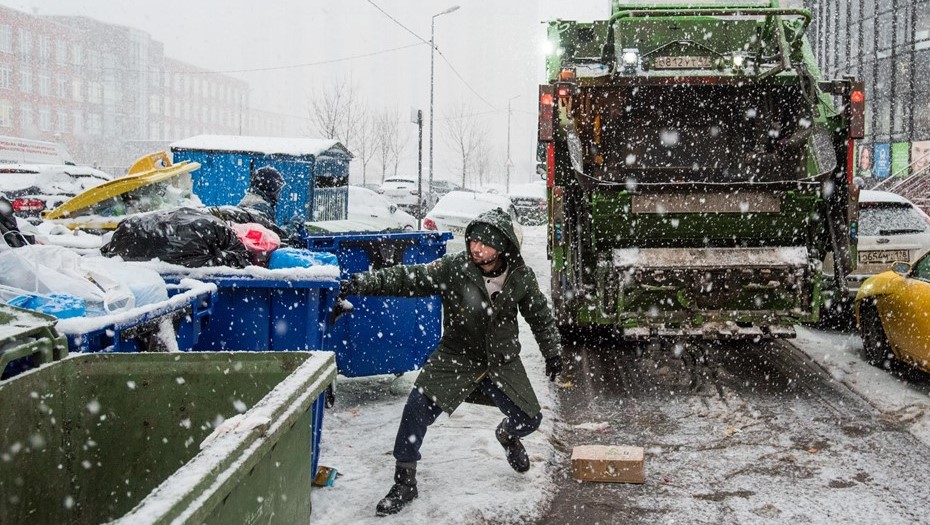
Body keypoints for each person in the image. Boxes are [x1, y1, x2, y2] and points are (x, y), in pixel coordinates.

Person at [338, 207, 563, 516]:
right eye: (473, 241)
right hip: (455, 357)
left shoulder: (520, 276)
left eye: (484, 243)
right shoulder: (454, 268)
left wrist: (552, 352)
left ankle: (508, 435)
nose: (475, 248)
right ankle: (405, 481)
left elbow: (539, 316)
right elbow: (408, 278)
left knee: (531, 419)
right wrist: (360, 283)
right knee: (415, 411)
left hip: (500, 361)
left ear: (502, 247)